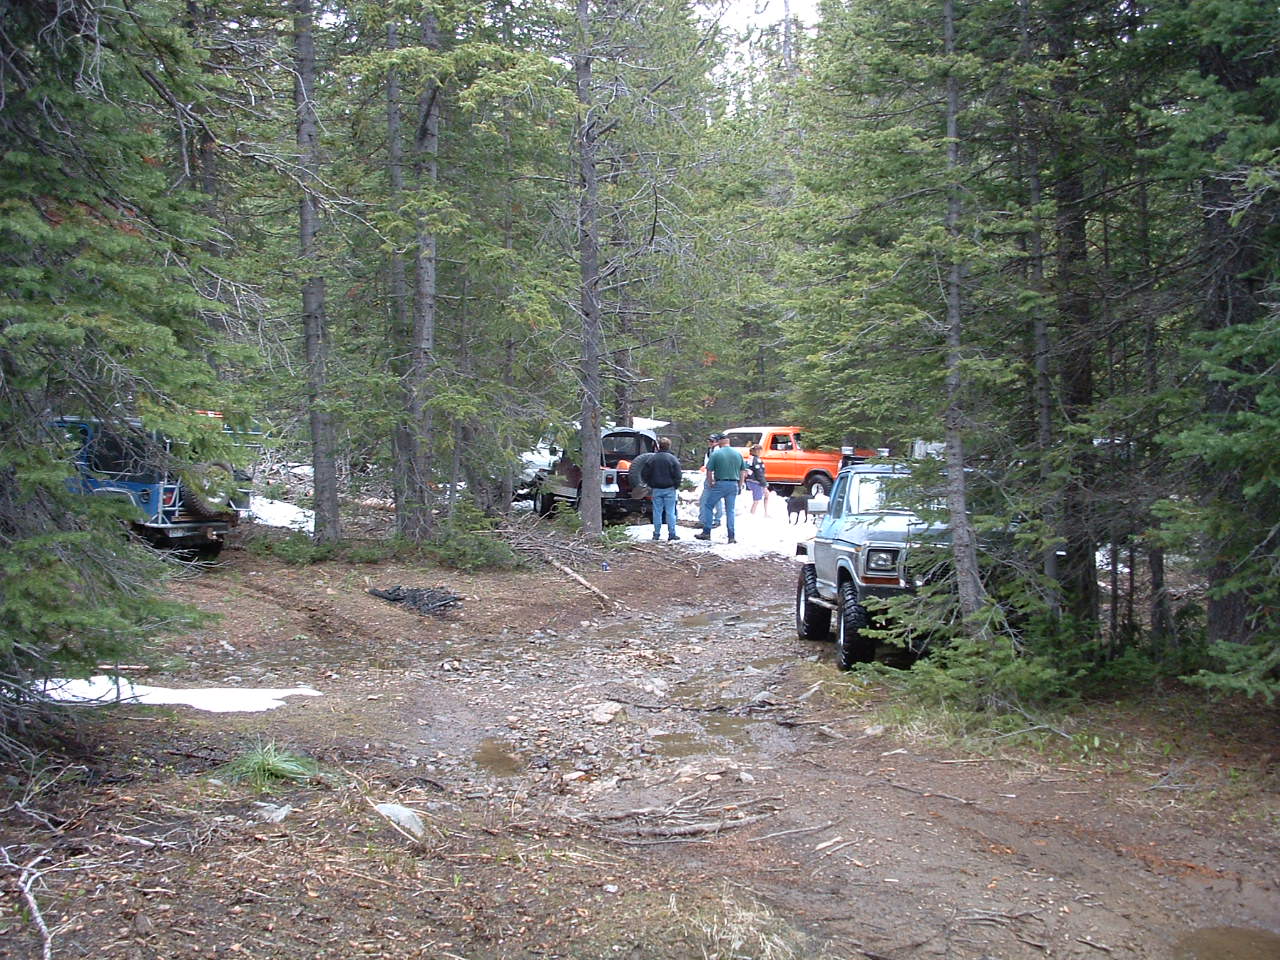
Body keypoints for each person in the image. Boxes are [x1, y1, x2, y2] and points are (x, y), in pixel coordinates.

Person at [695, 434, 746, 543]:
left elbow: (709, 470)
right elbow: (742, 471)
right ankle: (731, 536)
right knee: (730, 511)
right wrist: (740, 484)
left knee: (708, 505)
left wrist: (710, 482)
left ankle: (707, 531)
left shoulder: (716, 454)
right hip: (733, 484)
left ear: (720, 442)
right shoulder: (737, 454)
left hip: (720, 483)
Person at [640, 437, 682, 541]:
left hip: (656, 489)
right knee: (670, 512)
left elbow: (644, 473)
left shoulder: (652, 459)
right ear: (669, 446)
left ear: (659, 446)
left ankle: (656, 534)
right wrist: (676, 485)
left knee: (657, 512)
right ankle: (672, 534)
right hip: (670, 488)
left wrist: (650, 483)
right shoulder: (673, 459)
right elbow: (678, 474)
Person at [697, 434, 725, 529]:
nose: (710, 442)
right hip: (708, 477)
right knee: (704, 499)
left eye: (712, 441)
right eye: (709, 441)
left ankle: (717, 519)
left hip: (716, 477)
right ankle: (703, 519)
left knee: (716, 500)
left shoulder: (718, 451)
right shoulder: (710, 451)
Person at [744, 444, 769, 516]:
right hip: (756, 481)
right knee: (756, 500)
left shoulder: (749, 459)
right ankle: (752, 514)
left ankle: (765, 512)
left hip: (749, 480)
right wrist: (764, 483)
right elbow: (759, 472)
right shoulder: (757, 460)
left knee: (766, 494)